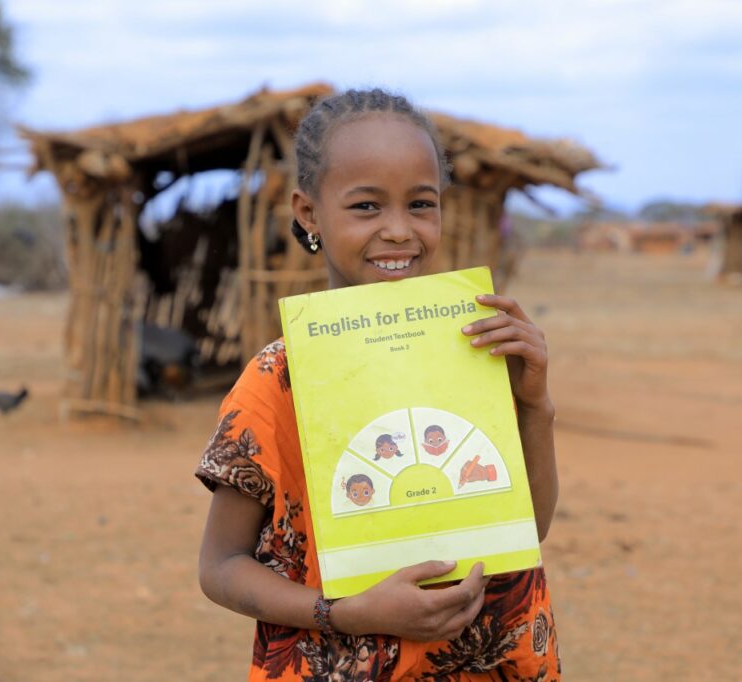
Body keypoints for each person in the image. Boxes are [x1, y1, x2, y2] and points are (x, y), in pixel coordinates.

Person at [197, 88, 560, 681]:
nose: (399, 230)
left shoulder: (475, 345)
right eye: (366, 207)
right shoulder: (277, 380)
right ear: (309, 213)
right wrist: (348, 613)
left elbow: (529, 528)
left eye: (421, 204)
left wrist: (534, 405)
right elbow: (220, 566)